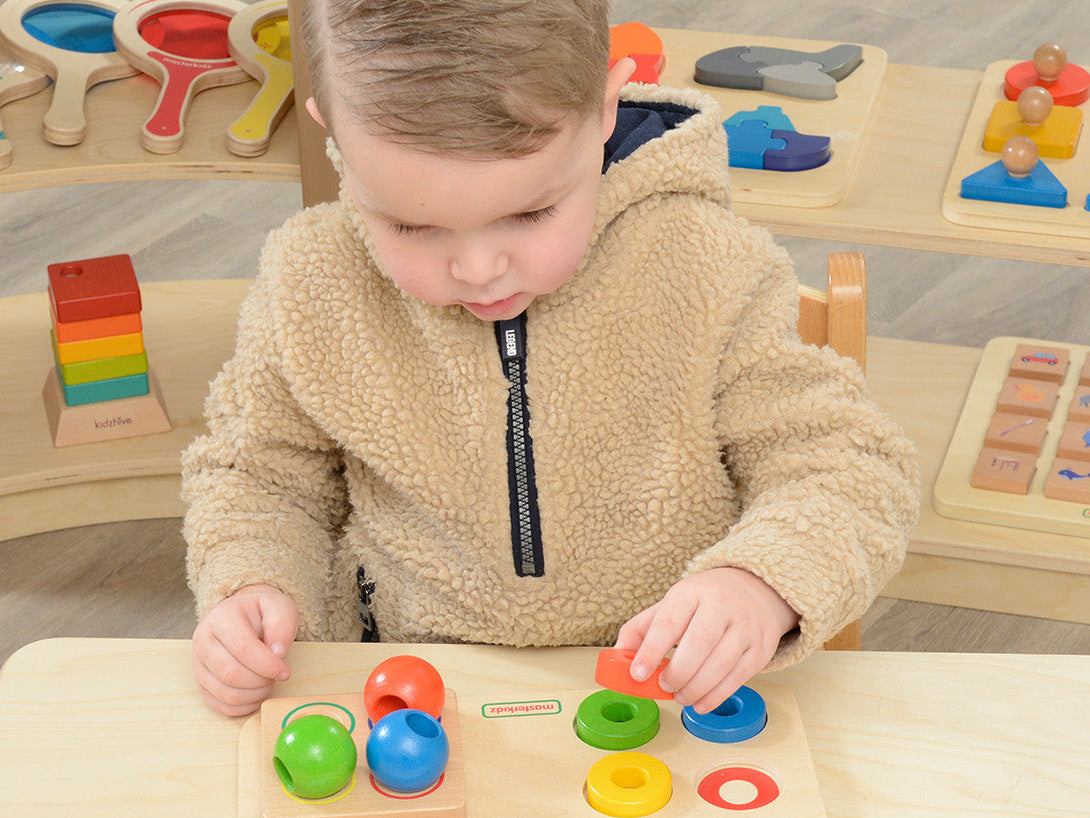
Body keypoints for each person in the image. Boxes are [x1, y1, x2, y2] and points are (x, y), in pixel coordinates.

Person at [182, 0, 919, 717]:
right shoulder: (313, 281)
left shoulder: (707, 266)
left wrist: (761, 582)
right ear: (334, 135)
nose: (478, 270)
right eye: (411, 225)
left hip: (665, 695)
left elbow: (847, 466)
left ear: (604, 110)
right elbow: (260, 477)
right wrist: (253, 582)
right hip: (410, 693)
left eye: (529, 213)